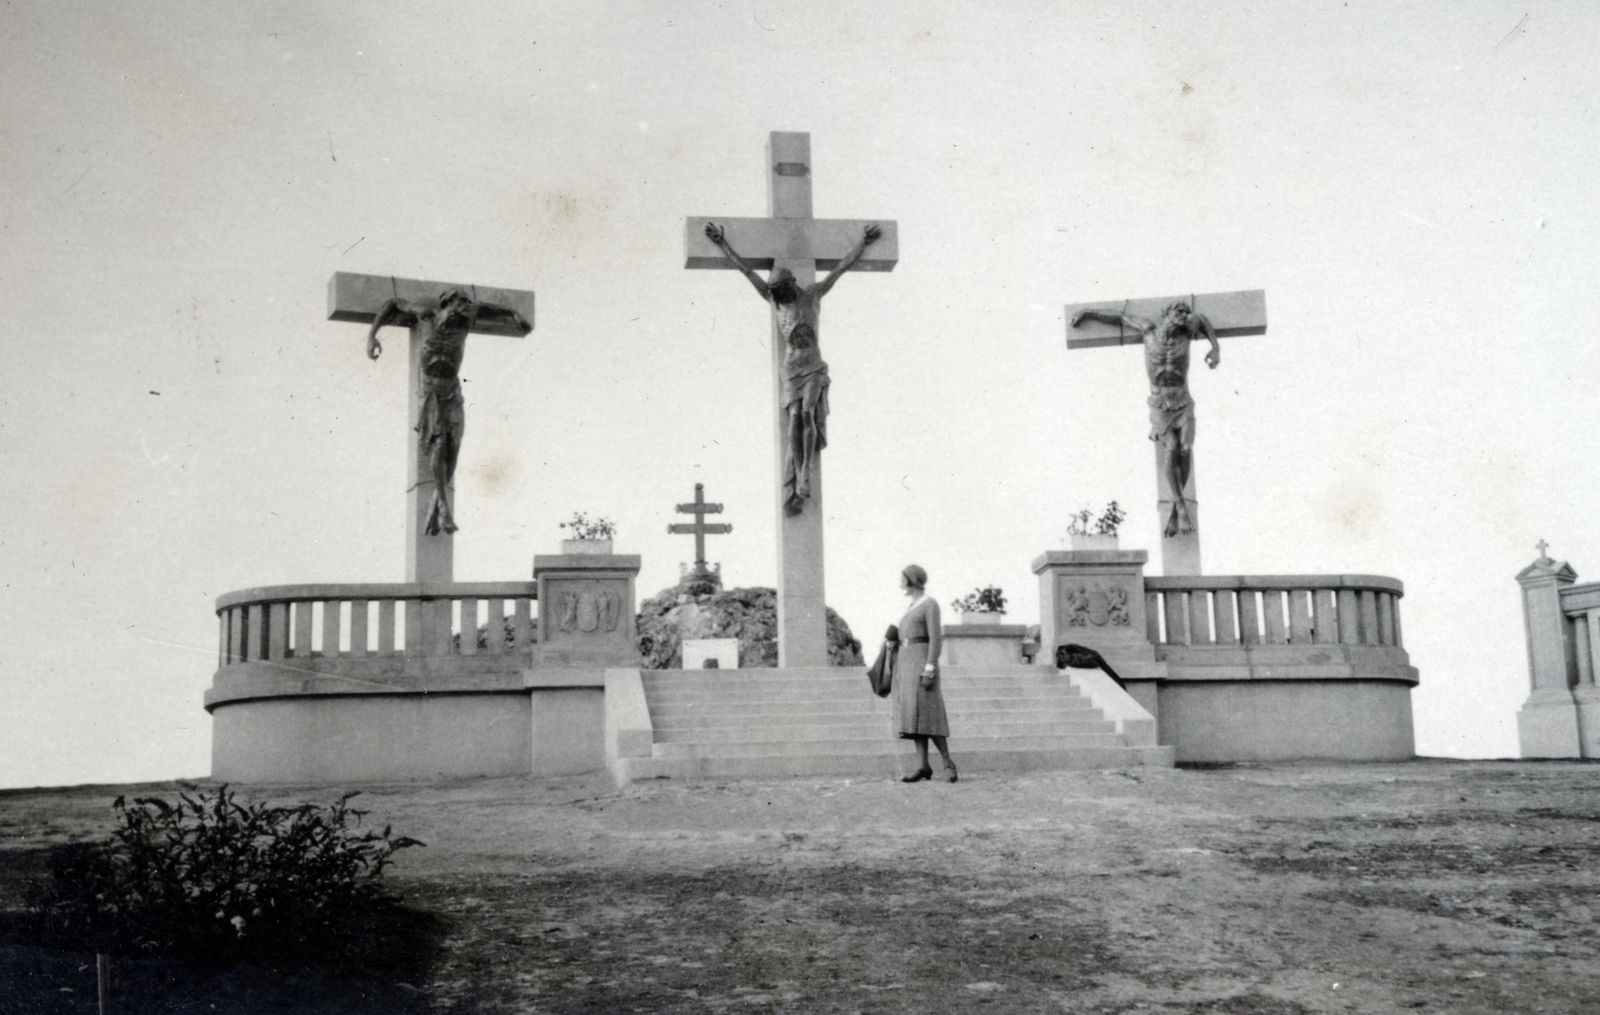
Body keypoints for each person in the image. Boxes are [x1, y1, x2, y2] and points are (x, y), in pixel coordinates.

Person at [702, 221, 881, 516]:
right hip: (791, 368)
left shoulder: (812, 295)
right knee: (795, 416)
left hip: (812, 366)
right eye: (774, 290)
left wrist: (863, 244)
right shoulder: (775, 301)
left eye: (780, 289)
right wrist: (722, 244)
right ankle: (798, 472)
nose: (777, 293)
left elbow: (839, 270)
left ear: (791, 283)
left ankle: (804, 471)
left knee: (808, 414)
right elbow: (747, 272)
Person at [366, 287, 531, 535]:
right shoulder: (426, 316)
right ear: (446, 303)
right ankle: (443, 506)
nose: (466, 307)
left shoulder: (466, 319)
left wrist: (513, 313)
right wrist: (372, 336)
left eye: (468, 303)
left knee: (454, 449)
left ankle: (436, 506)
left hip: (452, 391)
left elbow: (488, 309)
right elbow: (393, 303)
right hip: (430, 392)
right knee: (440, 443)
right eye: (460, 302)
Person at [1070, 301, 1219, 537]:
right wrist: (1087, 312)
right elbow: (1119, 317)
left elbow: (1201, 317)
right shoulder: (1147, 330)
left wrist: (1215, 348)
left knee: (1186, 448)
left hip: (1183, 401)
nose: (1185, 315)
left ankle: (1175, 505)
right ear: (1165, 314)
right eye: (1179, 312)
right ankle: (1179, 506)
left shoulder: (1187, 333)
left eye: (1186, 312)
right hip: (1160, 404)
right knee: (1171, 448)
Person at [892, 564, 956, 783]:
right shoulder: (910, 606)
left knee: (930, 713)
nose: (900, 582)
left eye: (903, 578)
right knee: (913, 716)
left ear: (912, 580)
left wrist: (930, 667)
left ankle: (947, 762)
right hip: (906, 666)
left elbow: (935, 638)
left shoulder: (930, 604)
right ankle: (923, 766)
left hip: (922, 665)